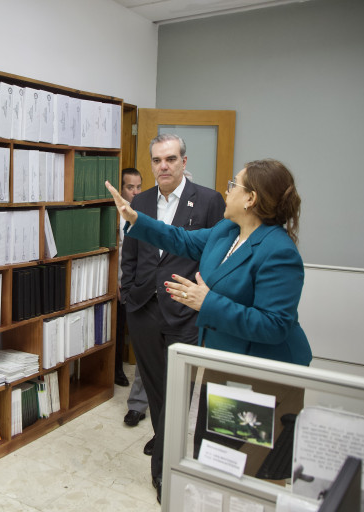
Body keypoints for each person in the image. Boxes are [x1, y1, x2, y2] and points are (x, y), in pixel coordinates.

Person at [106, 157, 312, 501]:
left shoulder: (279, 251)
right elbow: (180, 239)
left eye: (234, 185)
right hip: (226, 360)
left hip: (267, 374)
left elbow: (275, 325)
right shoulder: (226, 231)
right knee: (221, 455)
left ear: (251, 199)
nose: (226, 192)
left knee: (258, 467)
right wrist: (135, 218)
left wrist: (207, 302)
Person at [117, 133, 226, 501]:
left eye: (170, 159)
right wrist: (129, 290)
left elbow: (215, 256)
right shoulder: (141, 201)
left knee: (180, 390)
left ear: (183, 161)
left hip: (185, 311)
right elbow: (131, 252)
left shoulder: (208, 201)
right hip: (143, 308)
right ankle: (166, 442)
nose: (163, 166)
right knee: (155, 387)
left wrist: (205, 297)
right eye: (157, 160)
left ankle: (163, 470)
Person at [115, 168, 142, 387]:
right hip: (119, 282)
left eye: (138, 187)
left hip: (139, 280)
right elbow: (115, 252)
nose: (135, 192)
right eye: (130, 187)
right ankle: (116, 369)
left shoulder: (143, 213)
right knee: (117, 326)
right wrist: (115, 282)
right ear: (121, 188)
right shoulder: (116, 216)